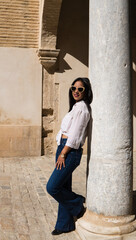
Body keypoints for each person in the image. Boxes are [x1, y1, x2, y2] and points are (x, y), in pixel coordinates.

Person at [46, 77, 93, 235]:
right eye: (74, 88)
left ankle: (78, 203)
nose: (76, 91)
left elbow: (74, 136)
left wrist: (63, 153)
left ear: (86, 91)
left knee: (53, 187)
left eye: (80, 89)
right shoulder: (75, 107)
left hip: (69, 152)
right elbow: (65, 131)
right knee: (63, 187)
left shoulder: (82, 109)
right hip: (64, 149)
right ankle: (64, 225)